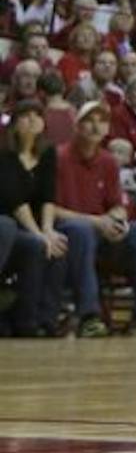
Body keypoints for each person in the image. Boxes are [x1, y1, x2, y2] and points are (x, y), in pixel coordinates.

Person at [51, 98, 136, 335]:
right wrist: (97, 222)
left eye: (101, 122)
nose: (95, 127)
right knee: (81, 230)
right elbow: (49, 208)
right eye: (89, 121)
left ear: (107, 129)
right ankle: (89, 316)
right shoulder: (57, 158)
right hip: (68, 232)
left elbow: (117, 205)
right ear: (77, 126)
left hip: (101, 231)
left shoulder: (108, 161)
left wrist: (117, 220)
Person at [1, 101, 58, 336]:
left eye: (37, 115)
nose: (32, 119)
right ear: (14, 126)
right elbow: (14, 201)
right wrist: (39, 234)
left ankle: (32, 320)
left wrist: (49, 232)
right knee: (33, 242)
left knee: (51, 245)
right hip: (8, 220)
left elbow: (48, 196)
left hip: (29, 226)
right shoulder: (5, 155)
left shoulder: (48, 154)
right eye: (25, 116)